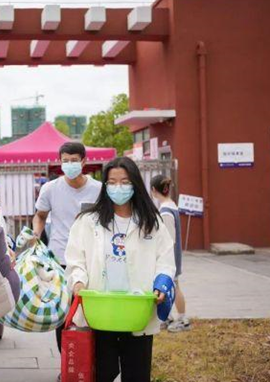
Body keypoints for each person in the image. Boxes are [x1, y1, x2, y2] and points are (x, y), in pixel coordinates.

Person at [65, 157, 176, 382]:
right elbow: (76, 259)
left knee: (137, 374)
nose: (118, 187)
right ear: (105, 186)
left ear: (135, 184)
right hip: (101, 311)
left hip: (136, 312)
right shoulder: (88, 221)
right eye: (112, 182)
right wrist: (78, 281)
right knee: (102, 373)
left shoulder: (151, 222)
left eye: (125, 182)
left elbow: (165, 259)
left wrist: (161, 283)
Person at [32, 142, 102, 362]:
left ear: (84, 161)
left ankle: (93, 363)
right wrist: (36, 234)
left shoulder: (99, 189)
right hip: (60, 259)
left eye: (74, 160)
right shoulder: (50, 188)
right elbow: (40, 216)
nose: (69, 164)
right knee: (64, 315)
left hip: (92, 259)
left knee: (91, 313)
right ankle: (68, 365)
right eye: (65, 160)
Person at [151, 175, 190, 332]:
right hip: (173, 255)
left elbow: (168, 239)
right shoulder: (171, 205)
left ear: (153, 190)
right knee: (171, 285)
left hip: (170, 257)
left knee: (175, 286)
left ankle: (183, 319)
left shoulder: (165, 211)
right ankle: (169, 317)